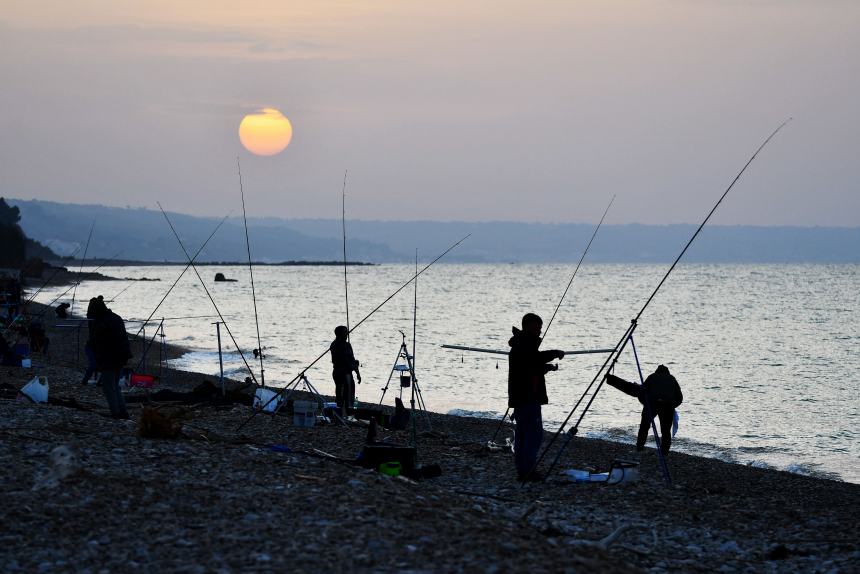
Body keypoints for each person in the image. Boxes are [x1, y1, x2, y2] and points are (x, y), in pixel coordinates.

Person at [508, 313, 564, 482]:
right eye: (538, 327)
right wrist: (555, 352)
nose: (540, 331)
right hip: (528, 398)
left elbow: (530, 367)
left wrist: (546, 368)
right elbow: (534, 360)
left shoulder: (520, 344)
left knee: (522, 435)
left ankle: (522, 471)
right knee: (533, 436)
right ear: (530, 326)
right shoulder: (525, 344)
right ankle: (529, 471)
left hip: (520, 398)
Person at [606, 364, 683, 455]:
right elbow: (680, 398)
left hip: (651, 404)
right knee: (665, 430)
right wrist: (672, 406)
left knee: (644, 426)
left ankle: (639, 447)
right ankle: (665, 451)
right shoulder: (672, 379)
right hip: (667, 405)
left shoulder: (651, 377)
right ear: (667, 372)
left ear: (657, 371)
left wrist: (645, 404)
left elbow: (642, 391)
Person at [87, 297, 132, 419]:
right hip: (122, 357)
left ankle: (116, 413)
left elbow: (96, 341)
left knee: (108, 387)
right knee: (115, 385)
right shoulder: (116, 317)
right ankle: (123, 412)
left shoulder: (102, 322)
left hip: (109, 358)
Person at [329, 325, 361, 416]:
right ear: (340, 334)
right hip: (345, 373)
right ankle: (347, 415)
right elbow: (350, 360)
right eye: (345, 332)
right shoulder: (346, 345)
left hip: (336, 372)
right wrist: (357, 371)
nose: (347, 334)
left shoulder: (333, 344)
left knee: (339, 394)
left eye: (347, 332)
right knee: (348, 396)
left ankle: (338, 415)